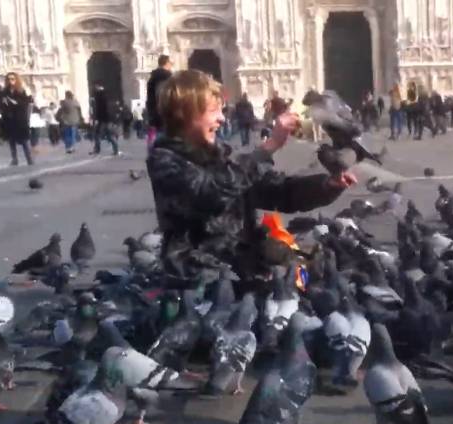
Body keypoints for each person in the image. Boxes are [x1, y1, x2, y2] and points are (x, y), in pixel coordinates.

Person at [146, 70, 355, 288]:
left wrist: (327, 185)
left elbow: (278, 192)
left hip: (239, 268)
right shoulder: (164, 160)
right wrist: (267, 149)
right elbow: (210, 193)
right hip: (197, 278)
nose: (221, 118)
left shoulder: (223, 156)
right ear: (185, 114)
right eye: (213, 111)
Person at [0, 72, 34, 165]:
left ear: (16, 80)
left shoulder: (21, 90)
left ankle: (29, 159)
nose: (11, 81)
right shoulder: (4, 92)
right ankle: (14, 159)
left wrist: (16, 102)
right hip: (9, 119)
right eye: (9, 79)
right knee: (11, 140)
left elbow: (27, 102)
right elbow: (0, 103)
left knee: (24, 140)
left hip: (20, 119)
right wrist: (4, 103)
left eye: (13, 79)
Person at [145, 55, 173, 149]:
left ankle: (155, 152)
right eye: (170, 63)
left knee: (156, 134)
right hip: (164, 112)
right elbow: (162, 94)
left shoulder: (153, 77)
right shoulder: (165, 77)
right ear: (167, 63)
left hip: (154, 112)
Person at [90, 85, 120, 156]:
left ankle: (97, 150)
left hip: (103, 120)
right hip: (108, 120)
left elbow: (99, 111)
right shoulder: (107, 99)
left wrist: (96, 119)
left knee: (97, 135)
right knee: (110, 136)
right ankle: (116, 150)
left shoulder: (99, 100)